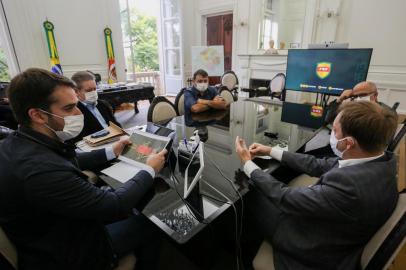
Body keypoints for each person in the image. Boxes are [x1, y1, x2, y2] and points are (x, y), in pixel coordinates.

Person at [0, 68, 167, 270]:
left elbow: (67, 160)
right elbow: (115, 205)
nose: (79, 113)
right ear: (37, 115)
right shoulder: (41, 172)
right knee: (155, 222)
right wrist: (149, 169)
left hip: (52, 226)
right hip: (71, 252)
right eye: (69, 108)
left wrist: (112, 151)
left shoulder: (18, 142)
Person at [235, 101, 399, 270]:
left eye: (335, 131)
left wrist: (248, 164)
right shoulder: (380, 159)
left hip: (311, 244)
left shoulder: (350, 187)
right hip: (339, 228)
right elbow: (317, 164)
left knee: (247, 194)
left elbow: (285, 197)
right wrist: (270, 150)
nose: (332, 135)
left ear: (349, 143)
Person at [69, 70, 121, 143]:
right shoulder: (73, 111)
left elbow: (116, 125)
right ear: (76, 92)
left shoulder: (103, 104)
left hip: (115, 139)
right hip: (96, 147)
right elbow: (77, 140)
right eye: (89, 90)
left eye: (95, 89)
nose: (93, 92)